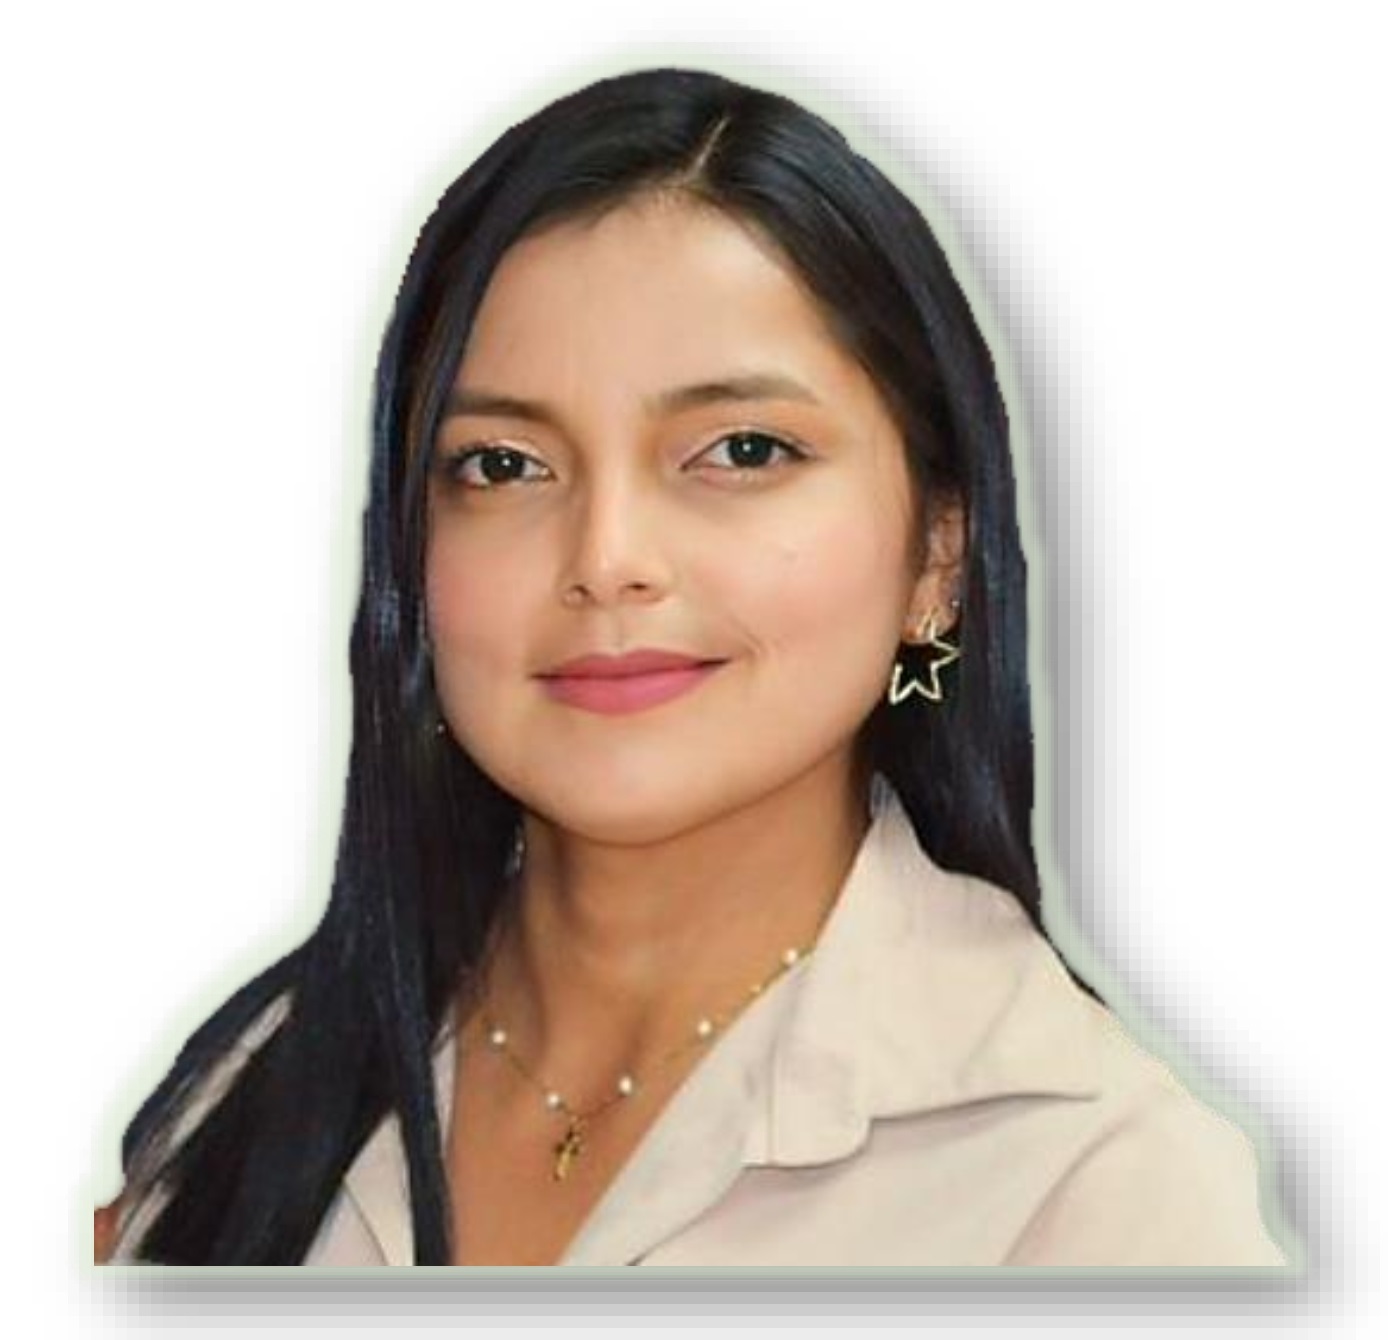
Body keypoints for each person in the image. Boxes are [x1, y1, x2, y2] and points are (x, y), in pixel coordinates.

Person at [98, 67, 1288, 1268]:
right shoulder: (238, 1113)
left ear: (937, 554)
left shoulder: (1096, 1192)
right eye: (502, 464)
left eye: (742, 449)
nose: (606, 559)